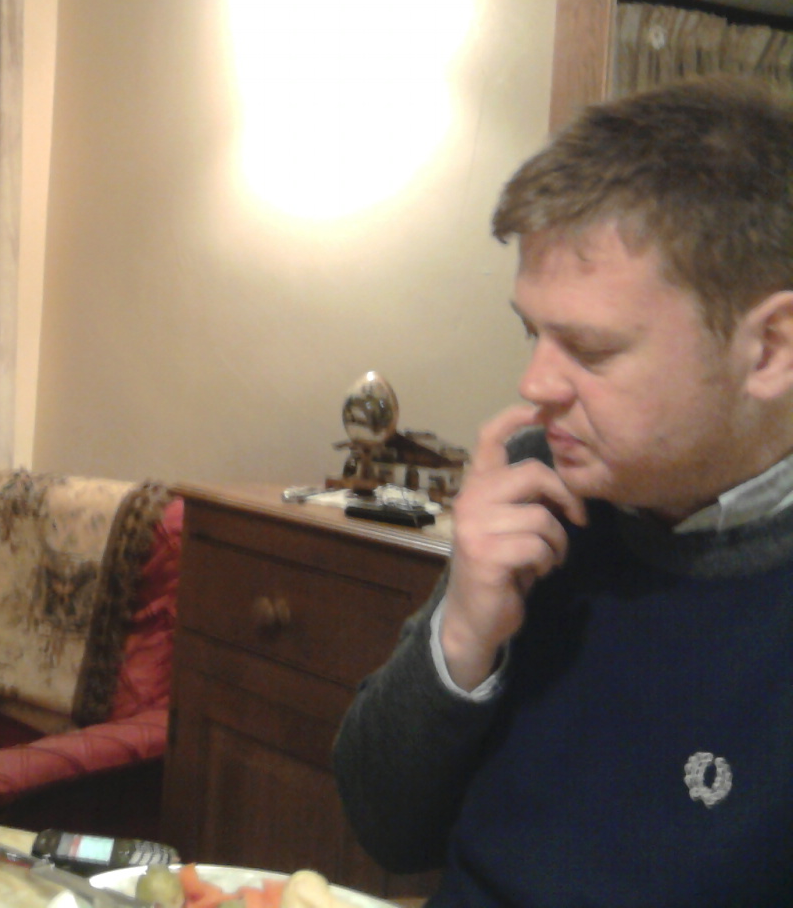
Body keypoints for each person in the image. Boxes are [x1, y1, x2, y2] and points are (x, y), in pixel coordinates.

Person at [334, 77, 793, 907]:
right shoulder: (536, 481)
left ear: (770, 348)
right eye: (532, 331)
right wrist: (462, 632)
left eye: (592, 350)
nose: (536, 384)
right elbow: (386, 829)